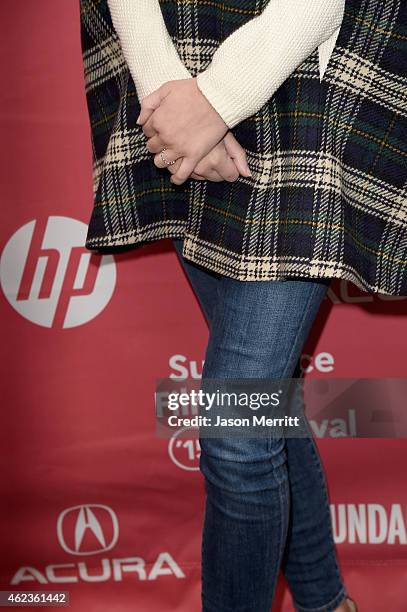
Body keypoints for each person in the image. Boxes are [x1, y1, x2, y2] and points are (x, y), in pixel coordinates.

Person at [79, 0, 406, 609]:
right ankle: (325, 601)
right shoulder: (173, 108)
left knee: (236, 429)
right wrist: (172, 103)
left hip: (300, 93)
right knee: (262, 407)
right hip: (172, 89)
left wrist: (216, 102)